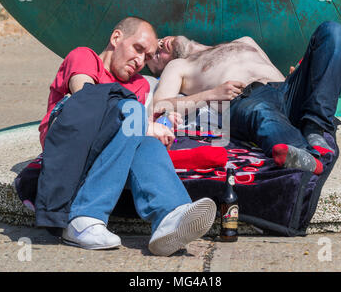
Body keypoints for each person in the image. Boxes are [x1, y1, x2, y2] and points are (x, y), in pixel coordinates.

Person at [37, 17, 217, 256]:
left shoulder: (140, 85)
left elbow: (134, 129)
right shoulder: (85, 57)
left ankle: (169, 216)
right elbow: (85, 99)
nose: (140, 61)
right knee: (131, 118)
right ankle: (83, 218)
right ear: (116, 38)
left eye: (147, 56)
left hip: (109, 151)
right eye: (138, 49)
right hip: (70, 144)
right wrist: (142, 122)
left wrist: (157, 125)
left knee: (144, 137)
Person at [148, 21, 341, 175]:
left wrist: (295, 78)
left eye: (158, 41)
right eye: (155, 56)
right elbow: (160, 105)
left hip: (285, 91)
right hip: (247, 99)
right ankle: (304, 154)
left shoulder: (245, 41)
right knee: (259, 109)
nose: (160, 45)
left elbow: (271, 75)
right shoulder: (180, 66)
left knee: (333, 31)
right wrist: (212, 95)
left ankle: (314, 128)